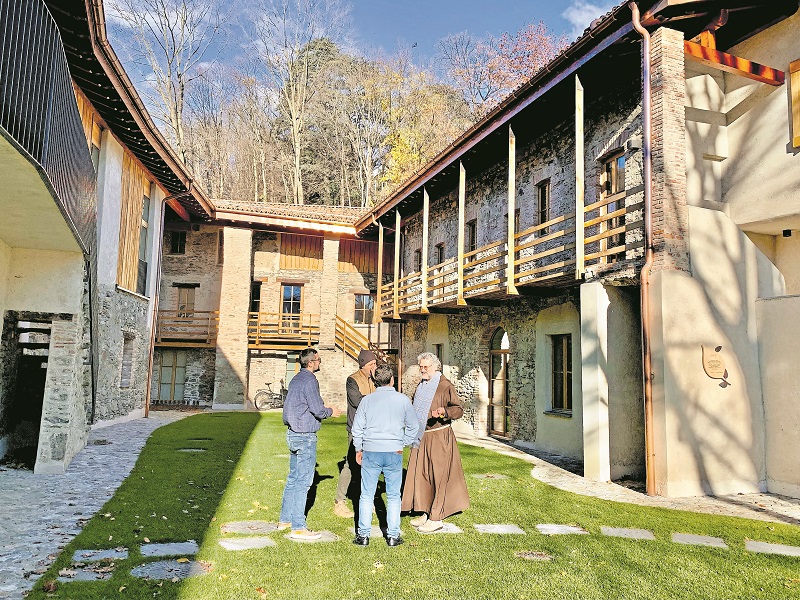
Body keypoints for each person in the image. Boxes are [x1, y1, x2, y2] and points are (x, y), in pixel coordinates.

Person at [401, 352, 469, 533]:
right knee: (423, 475)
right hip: (422, 436)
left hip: (439, 436)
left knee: (439, 476)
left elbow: (458, 409)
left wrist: (444, 412)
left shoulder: (444, 385)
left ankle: (437, 517)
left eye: (426, 367)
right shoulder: (422, 385)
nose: (422, 370)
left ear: (435, 367)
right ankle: (426, 511)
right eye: (421, 367)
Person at [351, 364, 418, 547]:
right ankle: (393, 536)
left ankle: (363, 535)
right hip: (393, 451)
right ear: (392, 380)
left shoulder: (367, 401)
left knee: (366, 494)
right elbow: (413, 426)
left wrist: (359, 449)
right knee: (394, 495)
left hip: (371, 450)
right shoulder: (402, 400)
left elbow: (357, 429)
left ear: (374, 381)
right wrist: (403, 442)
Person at [278, 348, 341, 540]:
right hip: (304, 436)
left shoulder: (296, 379)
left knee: (293, 478)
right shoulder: (310, 380)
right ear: (311, 362)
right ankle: (298, 526)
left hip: (293, 434)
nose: (320, 362)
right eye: (319, 360)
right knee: (303, 482)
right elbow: (317, 410)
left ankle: (285, 520)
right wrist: (330, 411)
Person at [333, 349, 377, 518]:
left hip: (373, 428)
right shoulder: (352, 380)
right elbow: (357, 400)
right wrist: (378, 399)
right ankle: (339, 501)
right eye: (371, 364)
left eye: (375, 364)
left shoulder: (375, 379)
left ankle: (368, 500)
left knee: (371, 465)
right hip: (357, 428)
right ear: (363, 365)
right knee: (351, 464)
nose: (374, 367)